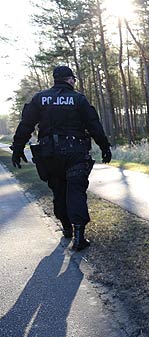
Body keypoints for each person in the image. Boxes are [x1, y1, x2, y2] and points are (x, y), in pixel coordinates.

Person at [10, 65, 112, 251]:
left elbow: (26, 124)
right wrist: (104, 147)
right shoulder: (78, 99)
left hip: (49, 154)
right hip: (75, 153)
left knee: (59, 191)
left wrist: (17, 148)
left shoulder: (40, 99)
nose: (74, 81)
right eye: (73, 78)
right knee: (76, 190)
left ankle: (66, 227)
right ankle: (79, 235)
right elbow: (94, 125)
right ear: (69, 79)